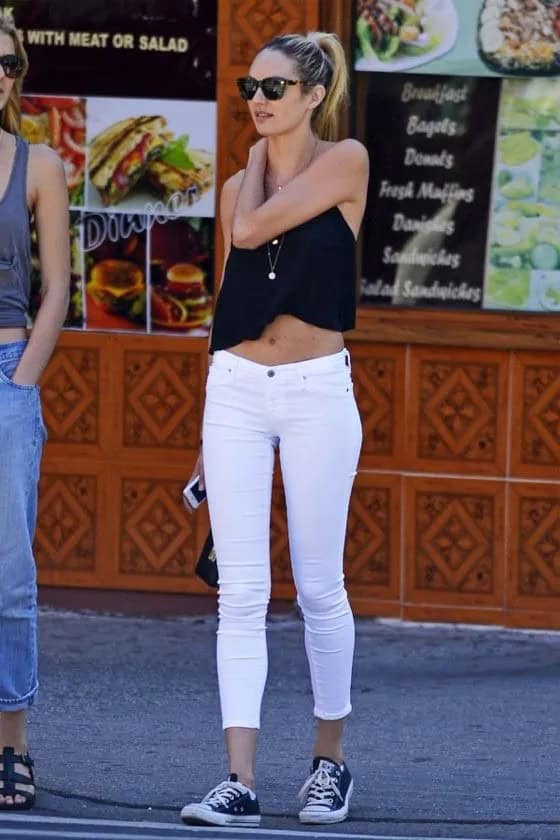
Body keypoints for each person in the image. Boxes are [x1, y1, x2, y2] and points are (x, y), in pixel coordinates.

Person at [181, 31, 368, 827]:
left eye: (275, 87)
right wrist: (204, 426)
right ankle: (239, 779)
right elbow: (231, 298)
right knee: (241, 593)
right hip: (237, 390)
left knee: (319, 586)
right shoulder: (235, 185)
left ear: (315, 95)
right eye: (251, 87)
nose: (258, 99)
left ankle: (329, 764)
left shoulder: (346, 160)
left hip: (317, 389)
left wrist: (257, 167)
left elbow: (254, 233)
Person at [0, 13, 70, 811]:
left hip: (6, 371)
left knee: (11, 573)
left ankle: (12, 743)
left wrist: (25, 375)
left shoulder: (39, 163)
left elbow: (58, 286)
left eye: (10, 63)